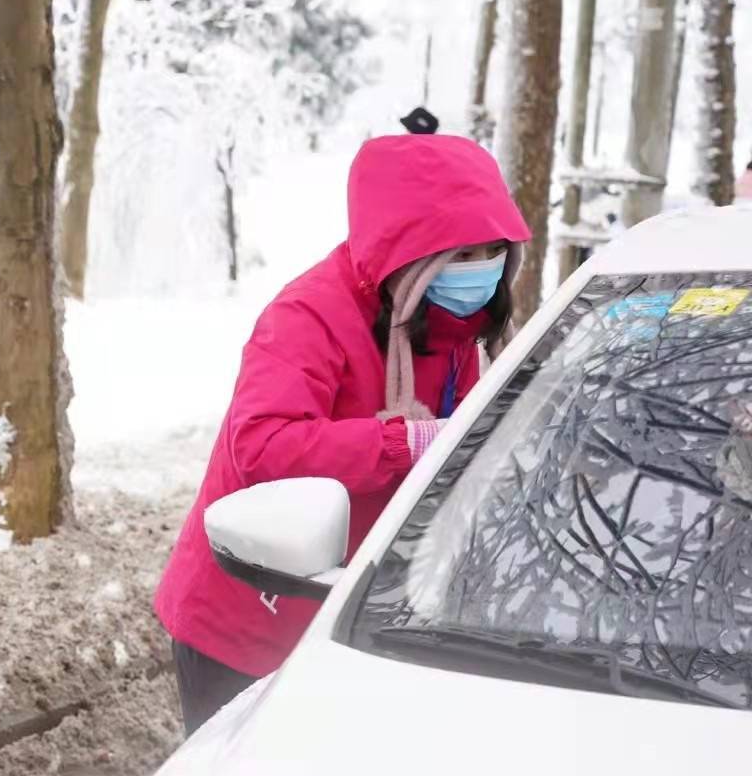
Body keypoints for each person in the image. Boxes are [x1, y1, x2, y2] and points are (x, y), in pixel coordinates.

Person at [153, 132, 532, 735]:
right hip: (251, 614)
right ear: (408, 252)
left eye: (491, 251)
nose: (478, 271)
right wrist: (399, 444)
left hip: (356, 616)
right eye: (459, 256)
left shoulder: (459, 321)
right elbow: (261, 447)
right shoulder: (308, 316)